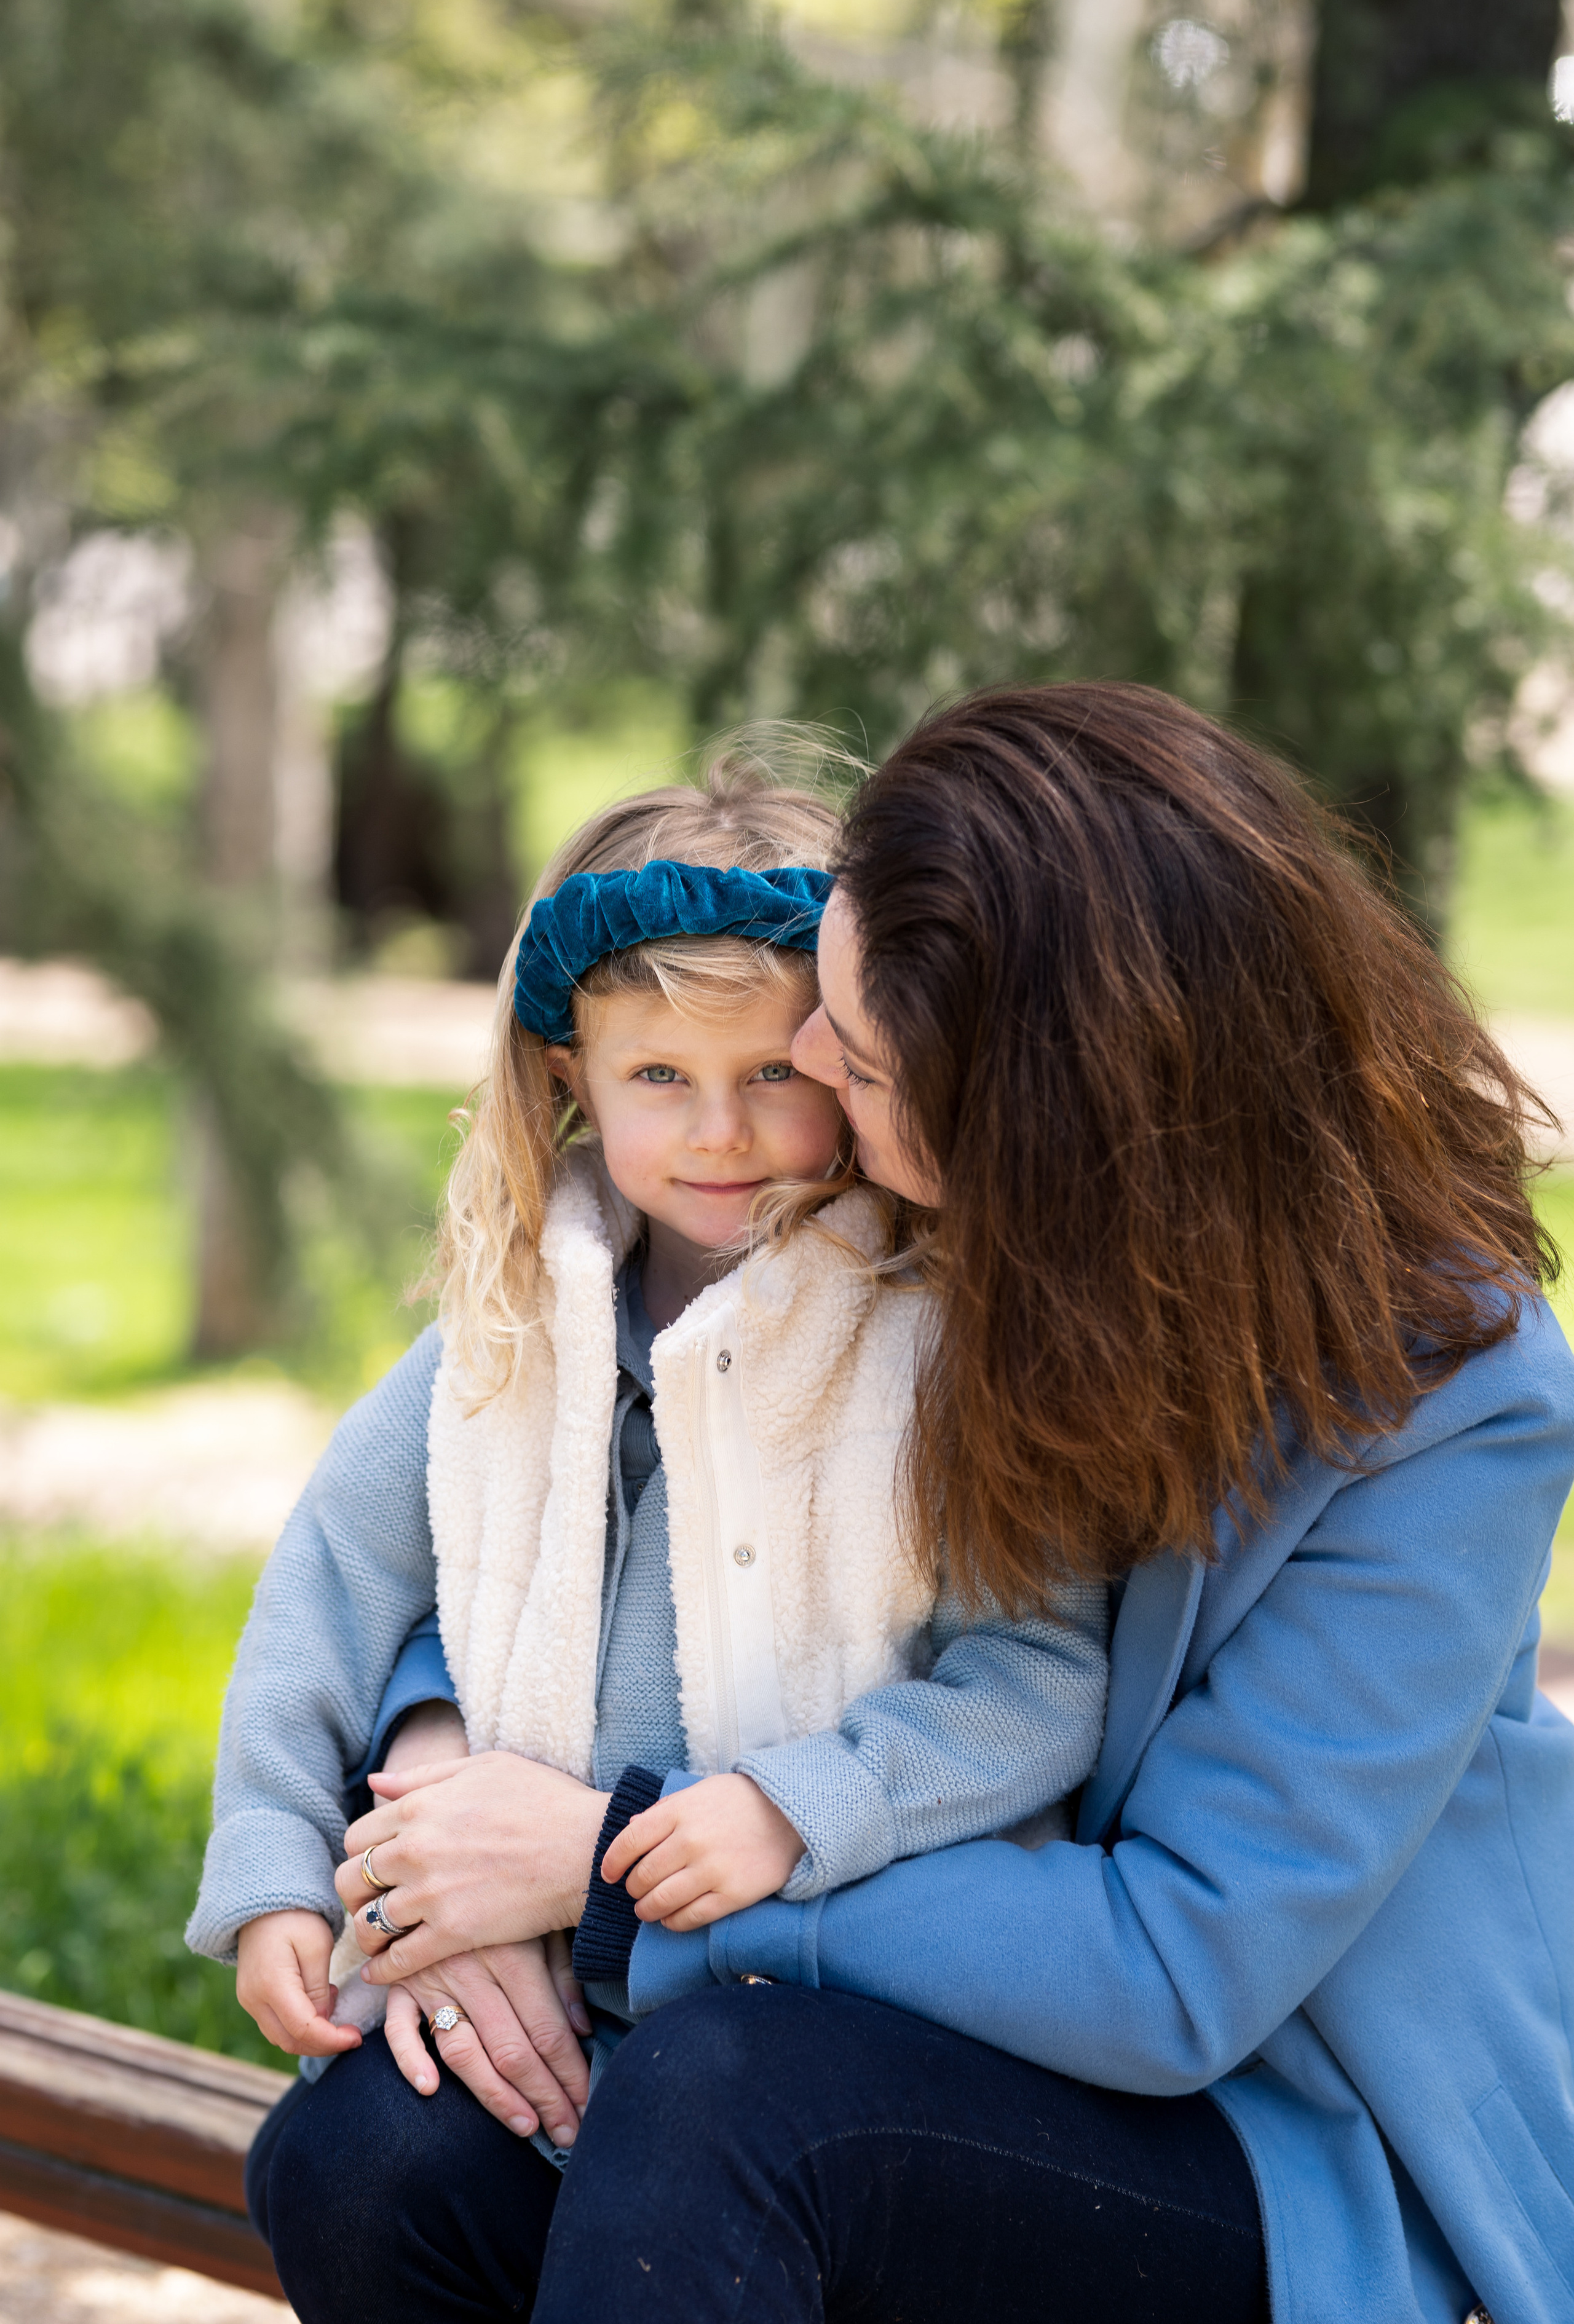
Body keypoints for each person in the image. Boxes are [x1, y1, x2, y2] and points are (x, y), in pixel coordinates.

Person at [240, 683, 1574, 2324]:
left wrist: (600, 1882)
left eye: (851, 1059)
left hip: (1274, 2142)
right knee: (378, 2156)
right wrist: (436, 1791)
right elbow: (511, 1501)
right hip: (865, 2011)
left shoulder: (1451, 1404)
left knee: (731, 2103)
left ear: (1040, 1125)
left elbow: (1177, 1970)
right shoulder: (930, 1243)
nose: (793, 1066)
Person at [188, 754, 1107, 2176]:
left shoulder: (936, 1350)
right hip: (537, 1983)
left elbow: (1037, 1676)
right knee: (345, 2168)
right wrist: (272, 1869)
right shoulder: (505, 1333)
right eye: (660, 1076)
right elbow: (330, 1589)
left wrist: (794, 1807)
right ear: (572, 1075)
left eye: (771, 1075)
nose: (719, 1131)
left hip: (809, 2007)